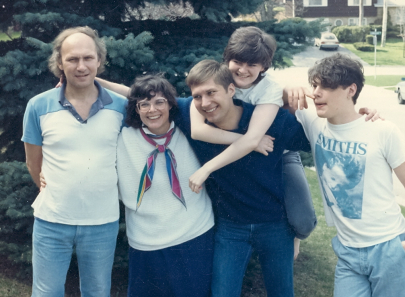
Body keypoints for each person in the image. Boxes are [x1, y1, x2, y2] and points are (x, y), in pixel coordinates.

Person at [173, 59, 311, 297]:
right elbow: (145, 98)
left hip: (275, 226)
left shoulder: (270, 121)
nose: (204, 103)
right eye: (197, 96)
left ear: (231, 90)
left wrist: (365, 116)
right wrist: (94, 82)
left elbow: (321, 134)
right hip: (230, 228)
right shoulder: (191, 115)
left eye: (211, 93)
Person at [293, 53, 405, 297]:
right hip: (348, 251)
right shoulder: (314, 121)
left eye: (327, 86)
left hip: (389, 247)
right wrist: (293, 90)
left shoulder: (382, 130)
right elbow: (276, 99)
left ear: (350, 90)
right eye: (315, 85)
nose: (317, 93)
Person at [187, 26, 316, 257]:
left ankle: (296, 237)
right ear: (228, 59)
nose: (243, 70)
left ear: (264, 66)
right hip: (246, 151)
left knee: (303, 221)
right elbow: (198, 130)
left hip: (280, 153)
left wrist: (251, 142)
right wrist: (249, 141)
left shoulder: (269, 90)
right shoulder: (216, 81)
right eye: (238, 61)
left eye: (252, 65)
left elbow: (254, 138)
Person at [22, 26, 127, 296]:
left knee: (97, 291)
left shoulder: (120, 106)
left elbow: (151, 97)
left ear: (99, 60)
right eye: (72, 59)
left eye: (88, 58)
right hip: (51, 221)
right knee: (46, 292)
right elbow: (34, 163)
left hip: (102, 222)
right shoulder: (38, 106)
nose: (81, 66)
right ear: (59, 62)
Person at [117, 75, 214, 296]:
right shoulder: (123, 135)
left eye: (159, 102)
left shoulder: (189, 128)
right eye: (144, 104)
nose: (153, 110)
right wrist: (93, 80)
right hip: (145, 241)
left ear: (171, 103)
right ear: (136, 109)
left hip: (194, 234)